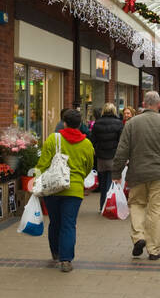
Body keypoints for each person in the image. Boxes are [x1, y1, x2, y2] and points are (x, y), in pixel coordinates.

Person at [113, 92, 160, 261]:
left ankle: (139, 237)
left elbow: (122, 151)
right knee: (157, 211)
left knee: (137, 204)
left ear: (144, 103)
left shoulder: (132, 124)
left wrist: (116, 173)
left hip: (137, 173)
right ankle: (154, 249)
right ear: (159, 104)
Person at [35, 109, 94, 272]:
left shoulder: (53, 139)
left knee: (55, 222)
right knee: (68, 224)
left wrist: (36, 180)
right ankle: (66, 260)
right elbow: (89, 166)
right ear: (80, 124)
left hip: (53, 188)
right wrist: (79, 177)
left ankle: (55, 252)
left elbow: (43, 163)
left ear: (64, 123)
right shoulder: (87, 143)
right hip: (74, 189)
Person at [89, 103, 124, 205]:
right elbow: (121, 141)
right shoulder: (119, 123)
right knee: (112, 180)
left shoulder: (97, 123)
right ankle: (110, 204)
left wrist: (97, 150)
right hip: (113, 156)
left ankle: (102, 204)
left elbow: (93, 140)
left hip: (101, 157)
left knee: (103, 181)